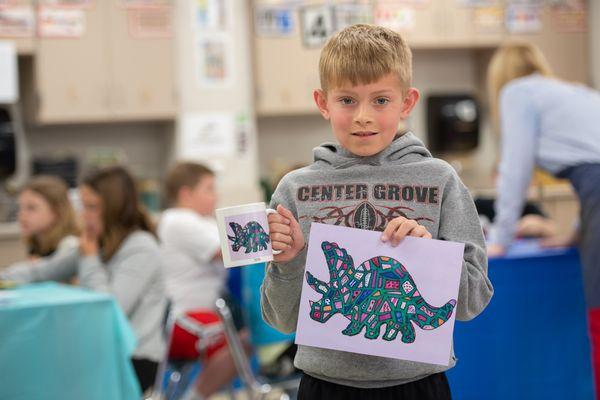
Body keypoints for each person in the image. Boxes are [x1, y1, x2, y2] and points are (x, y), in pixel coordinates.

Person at [261, 24, 493, 399]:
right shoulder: (295, 190)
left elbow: (473, 300)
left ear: (407, 102)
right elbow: (281, 319)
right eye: (347, 100)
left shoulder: (441, 181)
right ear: (323, 102)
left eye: (381, 100)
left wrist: (430, 256)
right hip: (324, 386)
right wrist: (287, 263)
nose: (363, 116)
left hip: (418, 386)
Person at [486, 41, 600, 395]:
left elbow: (515, 169)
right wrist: (579, 232)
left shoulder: (516, 92)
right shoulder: (577, 93)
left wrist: (500, 240)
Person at [158, 161, 249, 400]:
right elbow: (228, 250)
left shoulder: (203, 221)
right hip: (181, 318)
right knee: (242, 342)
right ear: (186, 194)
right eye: (209, 189)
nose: (216, 195)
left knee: (248, 337)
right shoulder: (178, 220)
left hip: (206, 311)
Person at [78, 166, 167, 393]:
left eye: (92, 207)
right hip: (106, 353)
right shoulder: (100, 241)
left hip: (135, 358)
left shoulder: (141, 246)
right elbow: (45, 271)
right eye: (83, 206)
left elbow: (110, 308)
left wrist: (88, 260)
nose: (84, 215)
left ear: (113, 208)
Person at [0, 175, 79, 282]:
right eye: (20, 207)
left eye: (31, 208)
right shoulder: (36, 243)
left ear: (56, 212)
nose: (22, 215)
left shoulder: (70, 246)